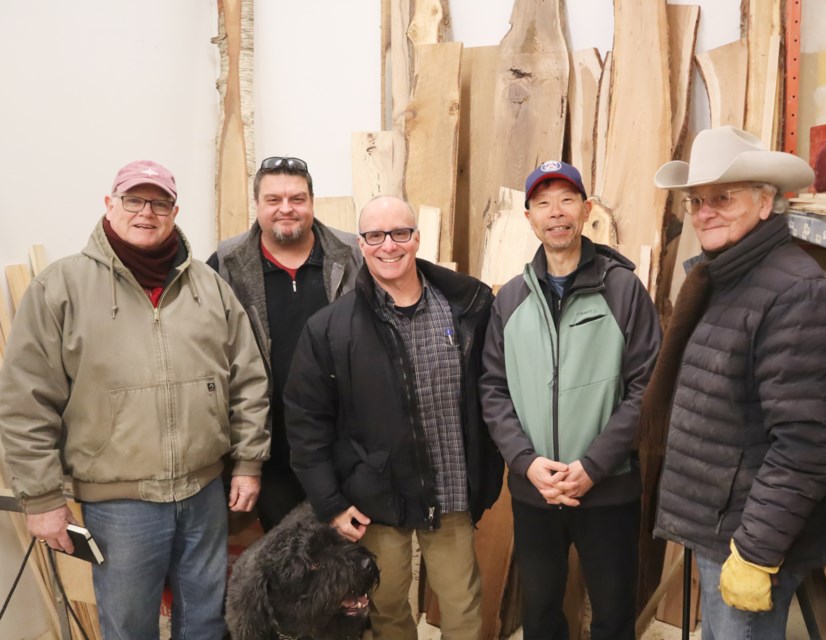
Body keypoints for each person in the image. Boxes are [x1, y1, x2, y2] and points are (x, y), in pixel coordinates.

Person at [0, 160, 270, 639]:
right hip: (121, 505)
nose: (147, 212)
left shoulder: (208, 286)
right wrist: (41, 497)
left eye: (159, 202)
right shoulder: (60, 288)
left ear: (174, 210)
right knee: (129, 627)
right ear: (110, 204)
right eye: (134, 199)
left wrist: (248, 461)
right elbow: (26, 402)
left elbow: (248, 378)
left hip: (204, 494)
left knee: (206, 622)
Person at [648, 126, 826, 639]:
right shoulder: (723, 278)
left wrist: (756, 551)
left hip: (747, 539)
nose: (704, 211)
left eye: (722, 197)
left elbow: (806, 445)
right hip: (720, 525)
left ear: (766, 204)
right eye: (695, 200)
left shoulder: (796, 293)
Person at [284, 195, 504, 640]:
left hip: (451, 492)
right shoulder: (330, 329)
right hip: (375, 498)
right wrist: (331, 503)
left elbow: (494, 391)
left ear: (417, 238)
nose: (389, 245)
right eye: (375, 235)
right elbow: (307, 424)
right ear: (361, 245)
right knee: (385, 610)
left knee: (463, 609)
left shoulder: (464, 308)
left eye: (400, 233)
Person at [479, 160, 662, 640]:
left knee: (612, 613)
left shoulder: (623, 290)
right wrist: (527, 462)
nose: (555, 212)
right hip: (536, 488)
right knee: (539, 613)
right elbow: (493, 389)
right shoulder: (511, 299)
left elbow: (646, 388)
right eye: (542, 202)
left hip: (608, 486)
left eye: (566, 200)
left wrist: (593, 465)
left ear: (586, 210)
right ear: (529, 217)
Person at [209, 156, 361, 531]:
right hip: (271, 446)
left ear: (312, 202)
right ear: (257, 205)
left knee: (348, 563)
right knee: (287, 560)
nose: (286, 209)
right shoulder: (227, 264)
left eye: (297, 198)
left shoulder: (352, 255)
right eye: (273, 199)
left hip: (345, 444)